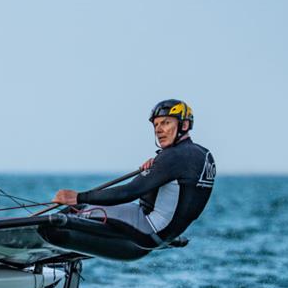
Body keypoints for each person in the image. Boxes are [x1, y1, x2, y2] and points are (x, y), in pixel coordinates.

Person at [52, 99, 216, 245]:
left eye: (165, 123)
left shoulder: (174, 156)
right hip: (168, 233)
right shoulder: (204, 155)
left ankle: (39, 236)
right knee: (88, 207)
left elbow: (129, 192)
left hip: (147, 227)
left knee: (79, 208)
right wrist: (155, 170)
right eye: (156, 125)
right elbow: (182, 194)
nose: (158, 130)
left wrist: (77, 197)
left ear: (184, 125)